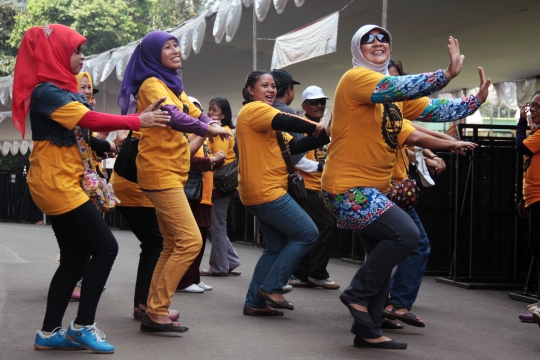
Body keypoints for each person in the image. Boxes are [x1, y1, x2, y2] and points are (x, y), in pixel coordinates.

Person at [321, 24, 490, 349]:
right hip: (347, 188)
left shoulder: (394, 102)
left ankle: (367, 331)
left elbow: (433, 109)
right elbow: (396, 85)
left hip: (371, 191)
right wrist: (445, 74)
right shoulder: (355, 80)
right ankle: (357, 294)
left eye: (383, 37)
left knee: (381, 255)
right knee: (407, 236)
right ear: (358, 49)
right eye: (368, 39)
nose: (377, 42)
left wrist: (474, 102)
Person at [12, 24, 169, 353]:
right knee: (106, 248)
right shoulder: (47, 92)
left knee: (74, 259)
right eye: (77, 50)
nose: (83, 56)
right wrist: (138, 120)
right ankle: (82, 325)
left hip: (65, 180)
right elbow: (89, 119)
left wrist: (112, 135)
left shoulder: (61, 89)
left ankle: (48, 333)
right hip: (56, 183)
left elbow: (83, 128)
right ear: (55, 53)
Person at [118, 30, 231, 333]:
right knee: (190, 241)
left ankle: (153, 307)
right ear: (153, 54)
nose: (175, 50)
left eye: (176, 45)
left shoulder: (173, 86)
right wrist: (210, 130)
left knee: (171, 243)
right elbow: (173, 117)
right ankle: (156, 310)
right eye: (166, 47)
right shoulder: (151, 85)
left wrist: (209, 123)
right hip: (159, 172)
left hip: (171, 172)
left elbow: (194, 113)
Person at [236, 70, 330, 316]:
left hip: (263, 190)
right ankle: (272, 286)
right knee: (308, 233)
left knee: (276, 245)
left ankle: (255, 302)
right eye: (264, 85)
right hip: (266, 191)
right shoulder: (254, 110)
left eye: (273, 86)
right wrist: (315, 125)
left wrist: (326, 134)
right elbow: (289, 121)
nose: (270, 90)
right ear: (250, 90)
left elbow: (296, 146)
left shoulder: (268, 118)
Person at [381, 60, 456, 329]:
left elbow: (409, 137)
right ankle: (392, 304)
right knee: (416, 245)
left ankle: (382, 306)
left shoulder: (395, 110)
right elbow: (413, 134)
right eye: (386, 80)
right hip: (383, 189)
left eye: (397, 82)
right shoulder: (376, 110)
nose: (392, 87)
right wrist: (449, 143)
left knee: (390, 248)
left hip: (392, 190)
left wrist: (434, 153)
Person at [288, 85, 340, 290]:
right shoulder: (302, 127)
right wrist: (322, 166)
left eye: (322, 102)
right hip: (306, 188)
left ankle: (301, 273)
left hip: (320, 188)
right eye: (313, 102)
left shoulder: (323, 129)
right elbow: (296, 160)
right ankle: (317, 273)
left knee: (310, 230)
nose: (319, 105)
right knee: (326, 226)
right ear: (304, 106)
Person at [199, 97, 243, 277]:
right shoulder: (221, 131)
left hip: (220, 187)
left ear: (223, 114)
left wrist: (201, 163)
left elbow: (219, 157)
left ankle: (218, 267)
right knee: (216, 226)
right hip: (221, 187)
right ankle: (230, 261)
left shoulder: (221, 132)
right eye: (209, 109)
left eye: (214, 110)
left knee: (216, 227)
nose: (210, 113)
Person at [176, 138, 226, 292]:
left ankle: (194, 278)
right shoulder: (188, 135)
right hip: (191, 195)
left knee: (201, 238)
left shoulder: (202, 138)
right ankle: (184, 280)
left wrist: (218, 160)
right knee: (191, 240)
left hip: (203, 196)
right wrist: (212, 159)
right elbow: (184, 159)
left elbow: (207, 164)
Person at [515, 91, 540, 325]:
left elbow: (521, 148)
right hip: (533, 199)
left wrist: (521, 122)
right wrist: (523, 199)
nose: (534, 109)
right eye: (533, 105)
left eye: (539, 106)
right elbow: (528, 167)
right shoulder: (537, 133)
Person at [270, 69, 305, 166]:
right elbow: (298, 150)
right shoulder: (288, 113)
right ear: (289, 90)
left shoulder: (260, 109)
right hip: (278, 173)